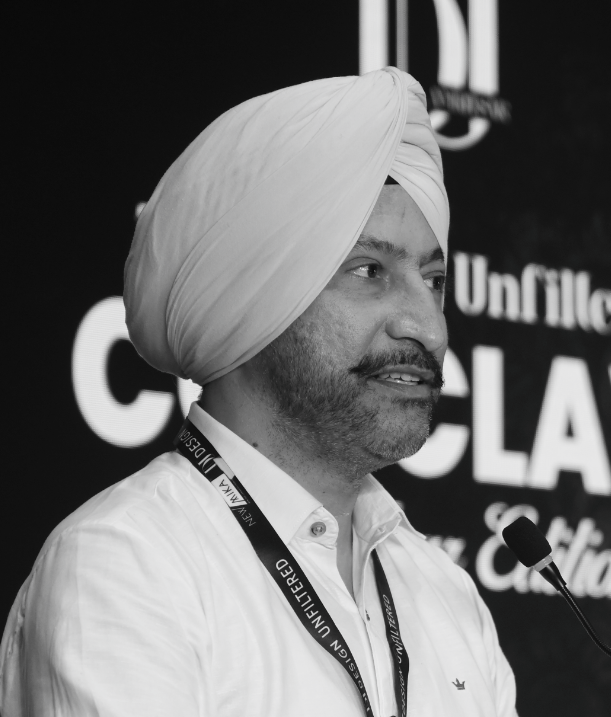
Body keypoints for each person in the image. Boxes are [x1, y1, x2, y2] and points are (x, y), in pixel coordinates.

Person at [0, 68, 517, 716]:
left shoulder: (446, 596)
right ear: (254, 296)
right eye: (369, 271)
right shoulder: (127, 562)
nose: (428, 327)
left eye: (434, 281)